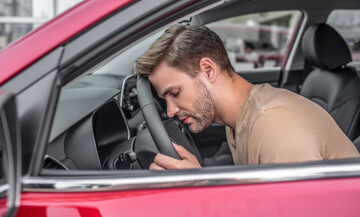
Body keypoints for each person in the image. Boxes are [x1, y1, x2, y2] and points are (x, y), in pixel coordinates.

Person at [133, 25, 359, 170]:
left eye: (174, 93)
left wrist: (198, 188)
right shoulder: (239, 118)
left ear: (208, 70)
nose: (170, 110)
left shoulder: (276, 126)